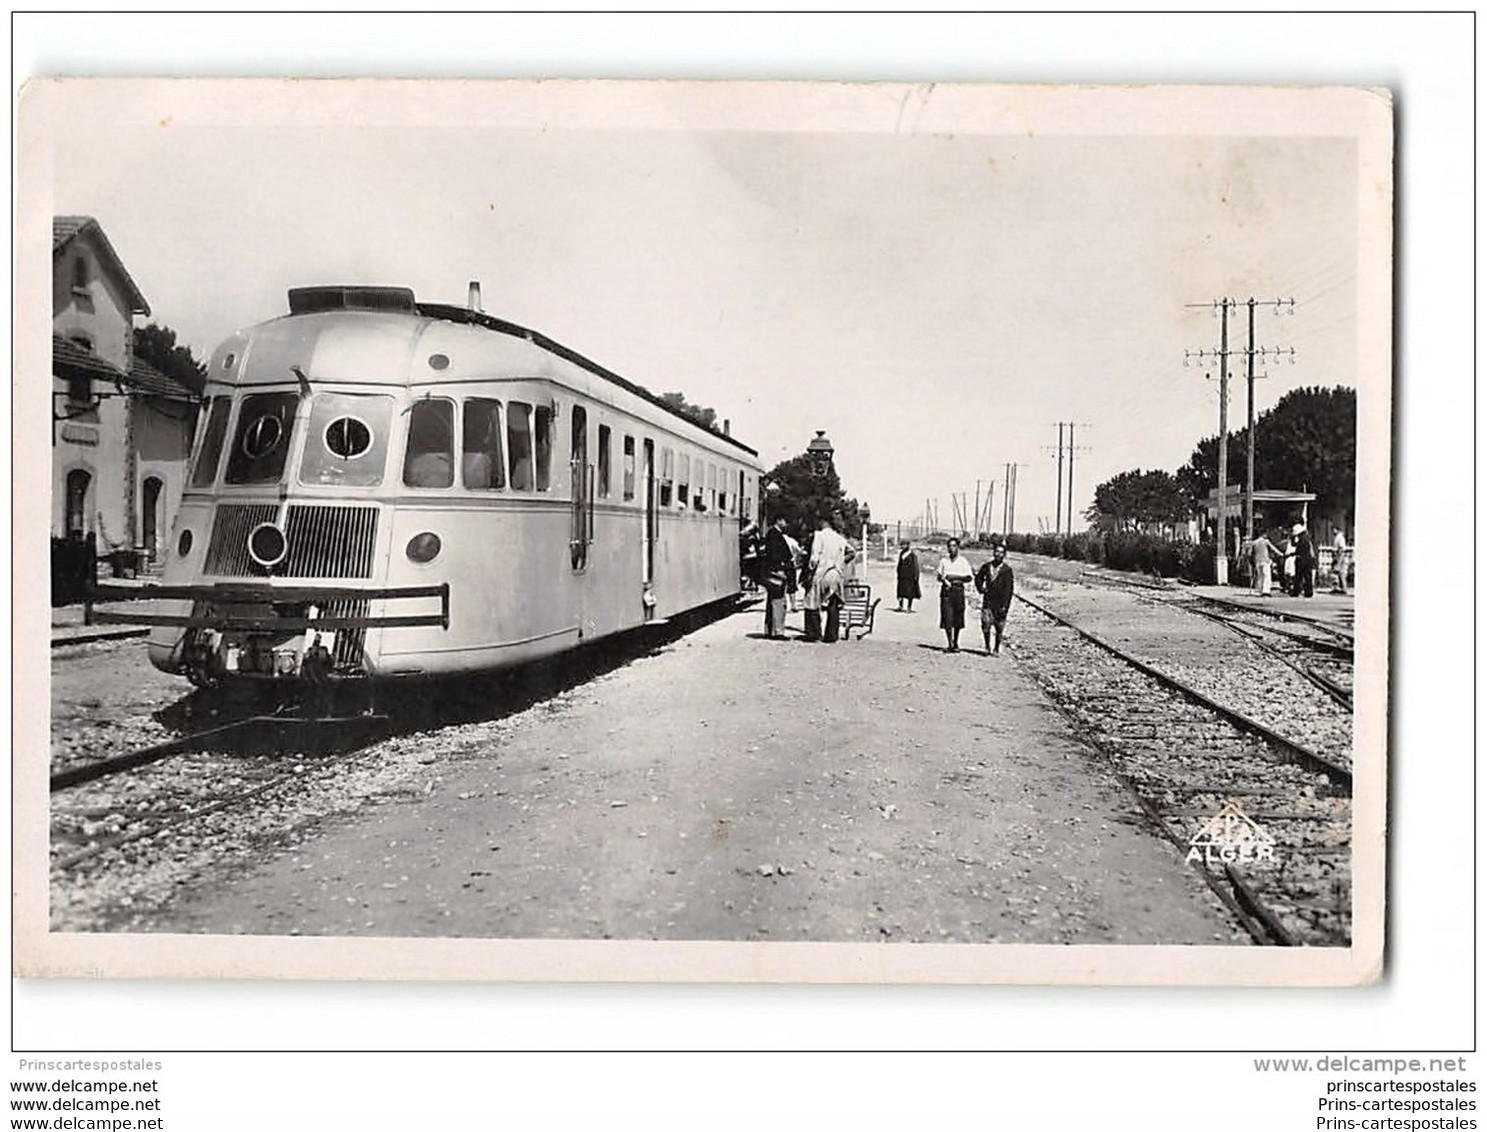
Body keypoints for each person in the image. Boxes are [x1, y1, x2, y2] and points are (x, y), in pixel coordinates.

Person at [806, 515, 855, 643]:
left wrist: (810, 572)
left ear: (823, 522)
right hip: (836, 574)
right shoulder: (839, 538)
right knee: (833, 604)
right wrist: (841, 563)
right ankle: (831, 635)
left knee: (812, 603)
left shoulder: (819, 536)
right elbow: (852, 552)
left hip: (821, 573)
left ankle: (814, 634)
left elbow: (814, 558)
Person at [973, 542, 1014, 655]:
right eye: (996, 552)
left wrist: (1005, 606)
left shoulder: (1007, 570)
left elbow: (1009, 590)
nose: (998, 554)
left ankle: (996, 648)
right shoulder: (987, 566)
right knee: (985, 624)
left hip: (1000, 603)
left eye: (1001, 553)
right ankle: (987, 646)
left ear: (1004, 555)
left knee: (999, 627)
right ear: (993, 553)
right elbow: (978, 578)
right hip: (988, 601)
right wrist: (981, 589)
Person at [935, 538, 975, 652]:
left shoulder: (963, 561)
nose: (951, 549)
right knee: (947, 616)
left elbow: (969, 577)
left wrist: (953, 577)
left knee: (958, 616)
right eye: (949, 546)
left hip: (958, 590)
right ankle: (950, 643)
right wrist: (944, 580)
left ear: (958, 547)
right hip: (946, 591)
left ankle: (956, 642)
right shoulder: (944, 561)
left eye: (953, 546)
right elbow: (939, 576)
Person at [759, 515, 795, 639]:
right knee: (779, 602)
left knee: (772, 601)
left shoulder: (772, 534)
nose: (786, 523)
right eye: (785, 520)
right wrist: (781, 568)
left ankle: (770, 630)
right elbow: (775, 555)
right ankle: (778, 631)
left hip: (773, 571)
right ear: (779, 520)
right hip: (778, 572)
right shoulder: (775, 535)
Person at [1249, 529, 1283, 597]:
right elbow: (1273, 549)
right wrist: (1281, 554)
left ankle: (1260, 590)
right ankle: (1266, 591)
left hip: (1257, 561)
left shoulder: (1254, 542)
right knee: (1266, 576)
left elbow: (1250, 553)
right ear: (1263, 534)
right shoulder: (1266, 541)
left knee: (1260, 576)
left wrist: (1252, 561)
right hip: (1265, 561)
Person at [1290, 524, 1316, 598]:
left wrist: (1292, 553)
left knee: (1298, 577)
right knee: (1307, 577)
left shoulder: (1302, 539)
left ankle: (1296, 591)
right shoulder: (1306, 538)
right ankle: (1308, 592)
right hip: (1307, 560)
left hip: (1302, 560)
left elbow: (1298, 549)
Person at [895, 540, 921, 612]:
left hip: (910, 576)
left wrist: (916, 575)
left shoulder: (912, 555)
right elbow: (899, 564)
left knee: (910, 592)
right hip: (902, 575)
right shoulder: (901, 554)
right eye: (902, 545)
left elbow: (915, 566)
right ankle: (900, 605)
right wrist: (898, 572)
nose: (903, 546)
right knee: (900, 591)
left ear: (908, 545)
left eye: (905, 545)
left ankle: (909, 607)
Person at [784, 531, 805, 612]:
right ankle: (793, 605)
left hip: (781, 564)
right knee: (791, 585)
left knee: (783, 585)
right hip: (790, 564)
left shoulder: (777, 539)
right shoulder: (791, 540)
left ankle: (785, 605)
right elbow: (799, 551)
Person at [1330, 529, 1349, 594]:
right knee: (1337, 573)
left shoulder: (1340, 538)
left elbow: (1342, 550)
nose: (1332, 531)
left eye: (1334, 529)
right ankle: (1338, 588)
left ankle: (1343, 588)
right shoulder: (1337, 537)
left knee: (1341, 573)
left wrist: (1339, 562)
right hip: (1337, 556)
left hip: (1340, 557)